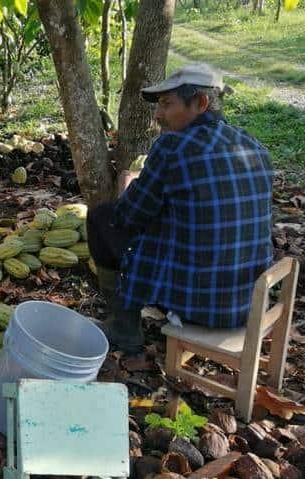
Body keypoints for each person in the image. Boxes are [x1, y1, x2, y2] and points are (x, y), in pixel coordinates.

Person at [86, 64, 273, 353]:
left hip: (198, 304)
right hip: (249, 303)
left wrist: (128, 187)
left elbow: (129, 215)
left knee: (103, 219)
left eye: (167, 104)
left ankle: (123, 326)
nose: (158, 115)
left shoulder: (173, 146)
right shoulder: (252, 144)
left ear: (201, 103)